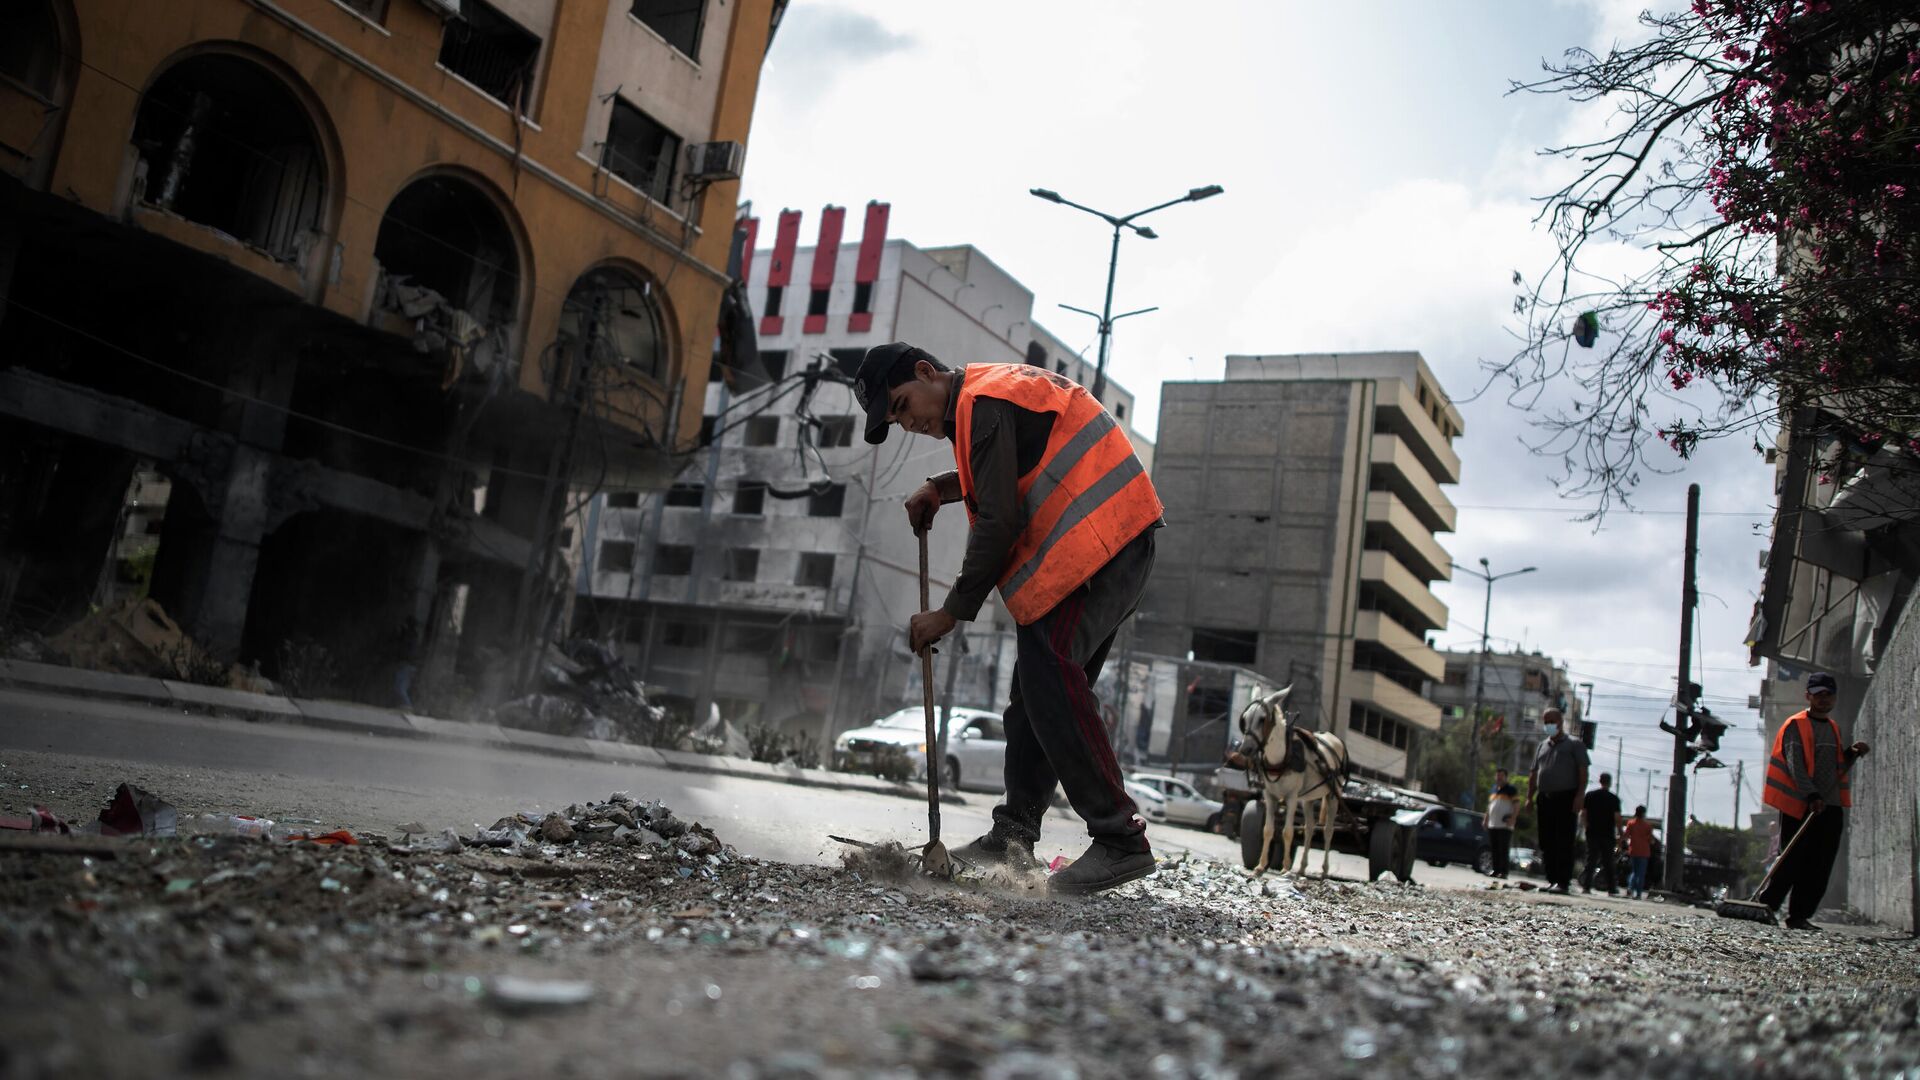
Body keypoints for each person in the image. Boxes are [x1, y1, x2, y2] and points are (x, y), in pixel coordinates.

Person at [854, 343, 1164, 894]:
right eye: (897, 419)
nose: (908, 424)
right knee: (1035, 694)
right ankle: (1015, 836)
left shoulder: (983, 402)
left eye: (903, 406)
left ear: (926, 372)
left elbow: (998, 521)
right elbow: (1000, 473)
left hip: (1101, 545)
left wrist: (948, 614)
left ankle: (1121, 839)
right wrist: (942, 488)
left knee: (1051, 675)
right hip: (1099, 544)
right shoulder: (981, 403)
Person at [1757, 672, 1870, 931]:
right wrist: (1812, 796)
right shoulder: (1796, 725)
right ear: (1808, 696)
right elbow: (1796, 765)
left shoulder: (1832, 727)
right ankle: (1766, 906)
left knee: (1820, 864)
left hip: (1828, 806)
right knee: (1792, 859)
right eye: (1818, 694)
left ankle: (1799, 916)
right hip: (1801, 805)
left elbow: (1834, 767)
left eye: (1828, 694)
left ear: (1834, 698)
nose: (1823, 699)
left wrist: (1852, 752)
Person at [1527, 707, 1589, 894]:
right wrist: (1529, 797)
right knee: (1546, 840)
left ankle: (1563, 882)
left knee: (1563, 840)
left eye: (1551, 721)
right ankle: (1551, 879)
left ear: (1561, 722)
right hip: (1545, 798)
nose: (1548, 725)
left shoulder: (1574, 744)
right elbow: (1534, 773)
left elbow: (1583, 771)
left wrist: (1579, 796)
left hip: (1566, 798)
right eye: (1545, 721)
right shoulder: (1542, 745)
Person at [1580, 772, 1623, 895]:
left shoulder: (1590, 795)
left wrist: (1586, 826)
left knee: (1591, 860)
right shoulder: (1613, 799)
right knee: (1608, 862)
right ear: (1609, 782)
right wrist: (1620, 833)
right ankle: (1611, 889)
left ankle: (1586, 887)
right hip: (1607, 834)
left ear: (1600, 781)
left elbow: (1583, 813)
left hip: (1592, 832)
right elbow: (1617, 818)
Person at [1485, 776, 1520, 879]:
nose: (1498, 779)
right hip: (1493, 824)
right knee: (1494, 848)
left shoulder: (1511, 789)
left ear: (1506, 777)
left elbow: (1516, 805)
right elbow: (1490, 806)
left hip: (1505, 825)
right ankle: (1495, 870)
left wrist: (1513, 818)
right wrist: (1485, 819)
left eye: (1501, 776)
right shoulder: (1494, 790)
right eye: (1497, 776)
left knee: (1503, 849)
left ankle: (1504, 872)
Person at [1621, 805, 1655, 899]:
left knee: (1634, 872)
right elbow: (1651, 840)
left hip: (1634, 850)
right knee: (1640, 873)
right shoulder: (1647, 826)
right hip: (1644, 851)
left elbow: (1626, 836)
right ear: (1644, 813)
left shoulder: (1631, 823)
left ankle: (1630, 889)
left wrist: (1620, 842)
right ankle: (1638, 893)